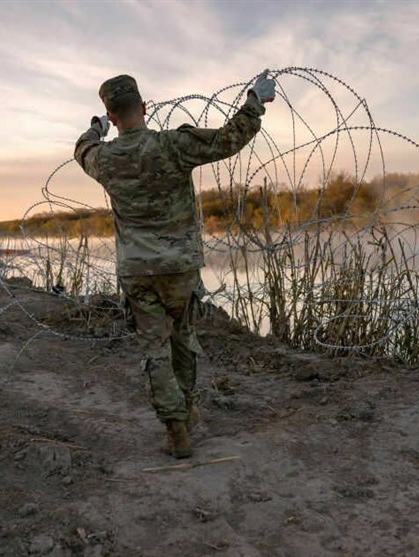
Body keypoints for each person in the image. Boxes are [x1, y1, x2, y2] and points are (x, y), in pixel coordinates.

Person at [74, 70, 276, 458]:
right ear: (145, 107)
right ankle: (186, 406)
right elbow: (230, 138)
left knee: (155, 348)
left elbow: (82, 148)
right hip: (179, 267)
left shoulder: (104, 159)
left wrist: (95, 128)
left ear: (112, 116)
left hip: (137, 272)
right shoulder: (173, 145)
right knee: (183, 339)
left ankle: (176, 428)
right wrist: (255, 101)